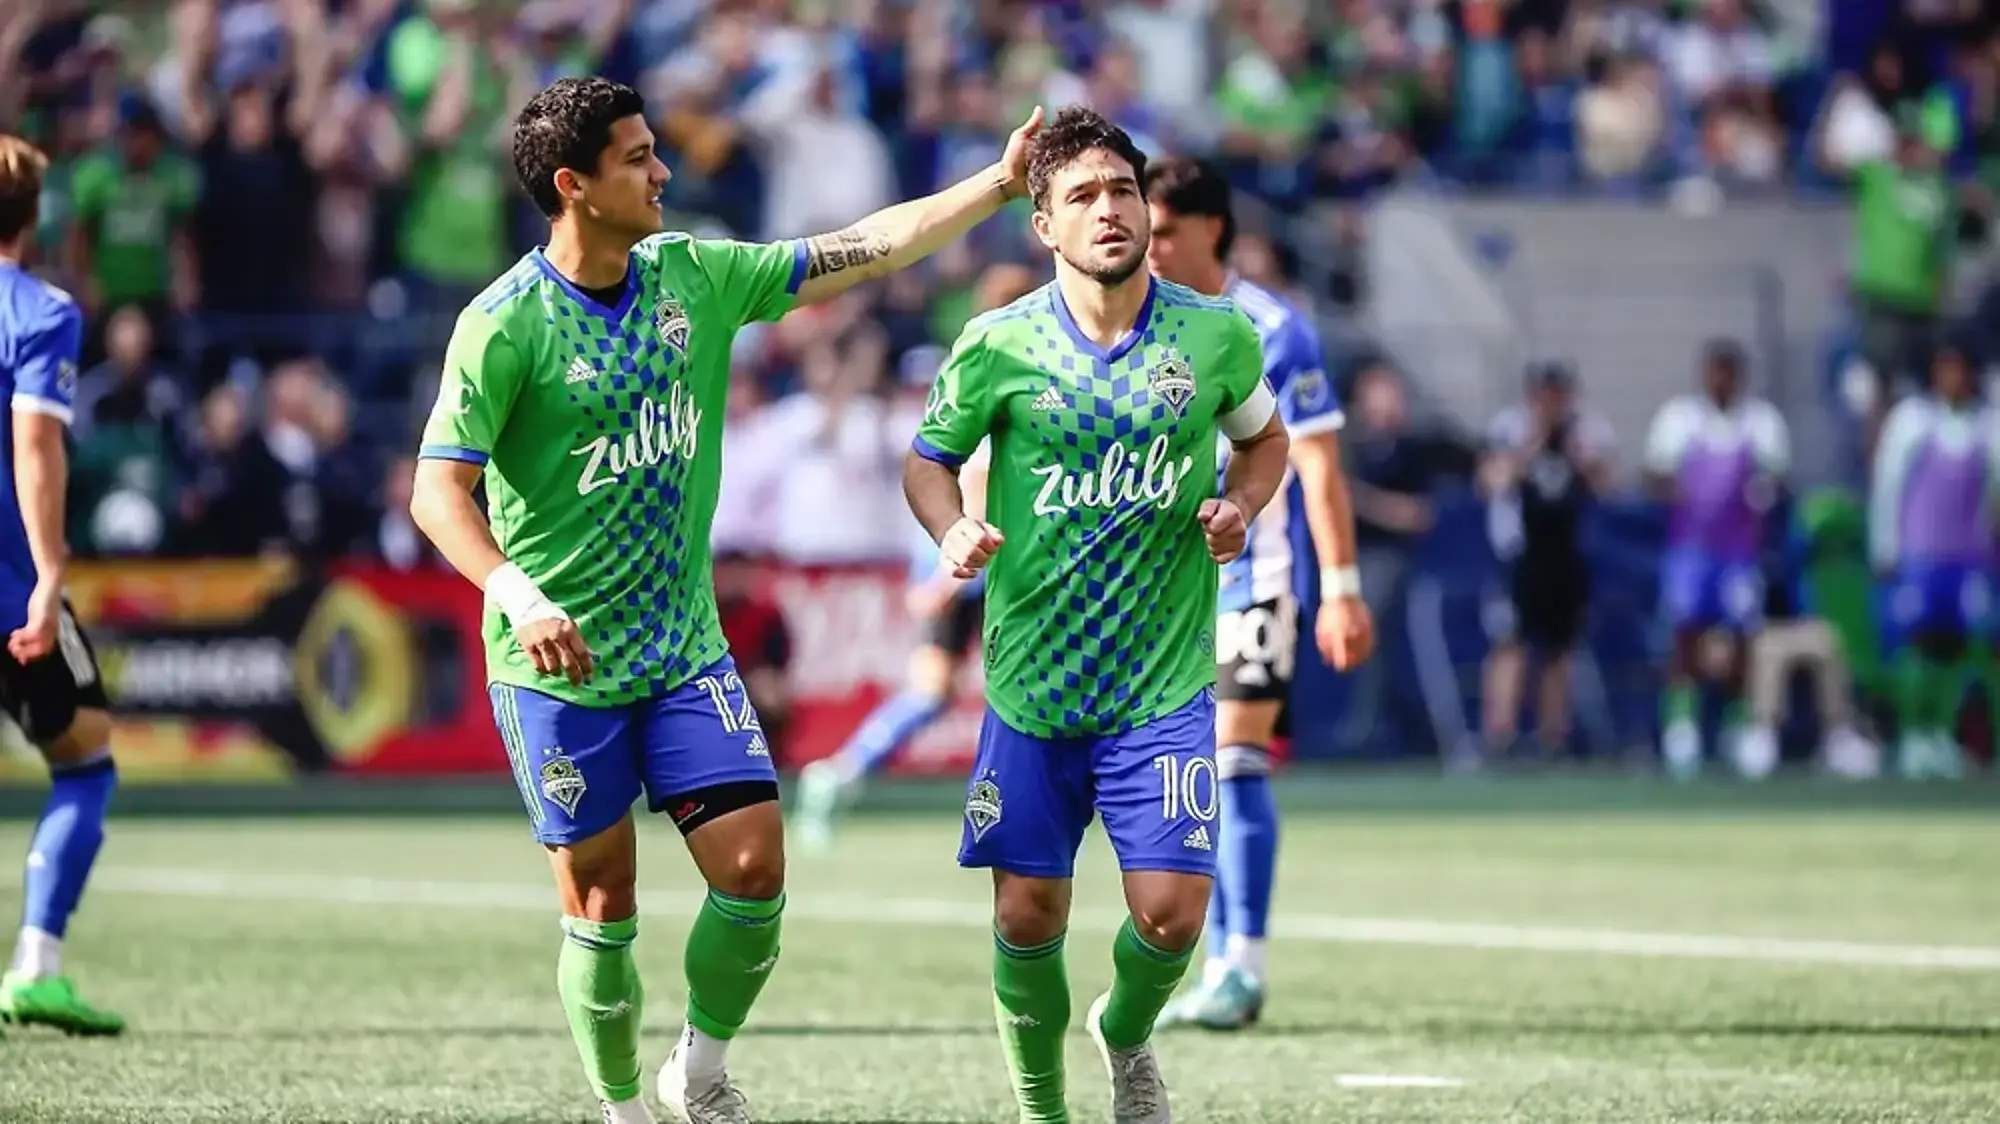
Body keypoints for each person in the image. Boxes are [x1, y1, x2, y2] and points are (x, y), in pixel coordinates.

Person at [408, 77, 1040, 1124]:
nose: (663, 172)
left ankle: (697, 1069)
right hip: (555, 661)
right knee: (603, 903)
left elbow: (861, 247)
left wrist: (996, 183)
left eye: (657, 150)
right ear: (573, 185)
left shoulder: (692, 274)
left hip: (680, 652)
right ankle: (619, 1107)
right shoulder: (503, 325)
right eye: (637, 159)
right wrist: (518, 595)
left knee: (752, 869)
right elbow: (438, 491)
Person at [903, 106, 1293, 1124]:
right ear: (1043, 225)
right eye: (1081, 194)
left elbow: (1264, 442)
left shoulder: (1213, 335)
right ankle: (1043, 1111)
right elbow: (925, 461)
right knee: (1026, 915)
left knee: (1169, 917)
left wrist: (1240, 507)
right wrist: (950, 531)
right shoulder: (997, 343)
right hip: (1034, 685)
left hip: (1159, 686)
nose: (1109, 209)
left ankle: (1123, 1032)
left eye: (1122, 190)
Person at [1138, 155, 1373, 1032]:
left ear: (1214, 230)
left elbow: (1317, 466)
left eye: (1164, 232)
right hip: (1171, 590)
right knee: (1193, 771)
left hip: (1257, 581)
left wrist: (1341, 589)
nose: (1148, 248)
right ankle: (1218, 965)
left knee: (1233, 763)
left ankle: (1243, 966)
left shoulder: (1275, 328)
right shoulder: (1144, 321)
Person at [789, 265, 1039, 851]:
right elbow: (973, 499)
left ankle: (840, 774)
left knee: (950, 693)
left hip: (970, 571)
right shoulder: (1001, 395)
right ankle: (843, 775)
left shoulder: (970, 390)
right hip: (976, 573)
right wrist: (944, 585)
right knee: (1000, 690)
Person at [0, 134, 124, 1037]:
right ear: (35, 217)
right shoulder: (39, 310)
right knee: (85, 759)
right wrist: (48, 577)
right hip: (9, 589)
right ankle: (36, 967)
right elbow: (36, 442)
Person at [1646, 341, 1792, 778]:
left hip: (1739, 553)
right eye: (1715, 371)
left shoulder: (1762, 422)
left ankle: (1738, 728)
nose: (1721, 380)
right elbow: (1654, 473)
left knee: (1742, 640)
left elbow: (1778, 478)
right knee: (1685, 637)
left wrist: (1761, 492)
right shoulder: (1679, 420)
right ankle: (1682, 729)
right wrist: (1677, 489)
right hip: (1690, 551)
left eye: (1729, 372)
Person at [1471, 361, 1615, 770]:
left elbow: (1608, 485)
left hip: (1567, 553)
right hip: (1520, 553)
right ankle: (1500, 735)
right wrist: (1530, 447)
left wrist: (1580, 457)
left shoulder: (1587, 432)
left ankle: (1553, 738)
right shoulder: (1509, 429)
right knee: (1510, 643)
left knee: (1559, 648)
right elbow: (1489, 481)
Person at [1870, 336, 1999, 780]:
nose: (1954, 379)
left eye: (1960, 369)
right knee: (1917, 645)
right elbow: (1888, 487)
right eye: (1946, 369)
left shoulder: (1988, 425)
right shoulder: (1912, 422)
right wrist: (1885, 546)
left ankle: (1944, 733)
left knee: (1961, 648)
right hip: (1920, 555)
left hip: (1969, 558)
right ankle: (1913, 735)